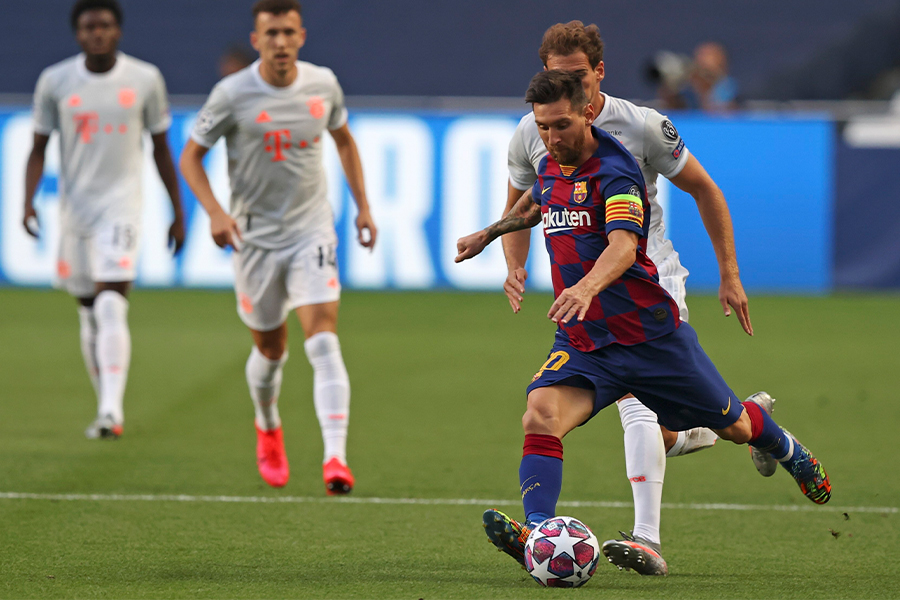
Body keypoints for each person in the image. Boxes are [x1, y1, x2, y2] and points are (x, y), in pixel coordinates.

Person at [456, 70, 830, 577]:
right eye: (543, 127)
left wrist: (586, 287)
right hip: (586, 340)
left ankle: (782, 445)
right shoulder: (551, 161)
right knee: (540, 415)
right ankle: (538, 531)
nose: (552, 137)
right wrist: (488, 233)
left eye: (561, 125)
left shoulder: (616, 171)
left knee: (735, 426)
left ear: (588, 113)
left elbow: (624, 246)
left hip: (648, 336)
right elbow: (537, 201)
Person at [499, 21, 754, 575]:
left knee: (636, 403)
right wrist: (513, 263)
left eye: (578, 76)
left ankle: (647, 539)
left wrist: (729, 274)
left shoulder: (642, 126)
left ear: (599, 72)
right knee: (630, 423)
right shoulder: (533, 130)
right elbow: (521, 204)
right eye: (557, 76)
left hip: (648, 279)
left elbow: (705, 189)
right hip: (584, 296)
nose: (568, 86)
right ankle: (713, 428)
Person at [180, 0, 376, 494]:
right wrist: (215, 212)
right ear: (257, 40)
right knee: (270, 351)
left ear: (301, 36)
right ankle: (267, 424)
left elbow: (344, 140)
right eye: (272, 34)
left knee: (323, 338)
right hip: (255, 240)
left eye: (289, 32)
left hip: (311, 230)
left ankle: (336, 457)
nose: (281, 42)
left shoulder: (323, 84)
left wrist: (363, 207)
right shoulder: (232, 93)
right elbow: (191, 157)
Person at [24, 0, 185, 439]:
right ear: (77, 33)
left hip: (122, 206)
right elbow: (37, 148)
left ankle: (112, 411)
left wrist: (178, 210)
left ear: (119, 31)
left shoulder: (144, 78)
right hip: (75, 211)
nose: (97, 33)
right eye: (89, 27)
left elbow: (161, 148)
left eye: (105, 25)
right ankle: (105, 407)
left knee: (112, 301)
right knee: (88, 311)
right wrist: (27, 201)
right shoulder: (56, 81)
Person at [681, 42, 738, 112]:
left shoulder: (734, 91)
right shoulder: (685, 92)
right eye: (701, 55)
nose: (703, 61)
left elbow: (724, 111)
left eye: (708, 55)